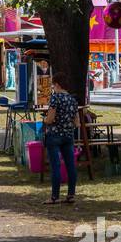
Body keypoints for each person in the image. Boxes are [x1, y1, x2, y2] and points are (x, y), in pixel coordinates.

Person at [43, 72, 79, 204]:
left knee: (56, 166)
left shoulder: (55, 98)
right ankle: (71, 195)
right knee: (71, 166)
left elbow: (51, 118)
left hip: (54, 135)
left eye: (53, 85)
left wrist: (45, 120)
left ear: (57, 84)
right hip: (68, 136)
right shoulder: (72, 99)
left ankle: (55, 196)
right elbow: (77, 122)